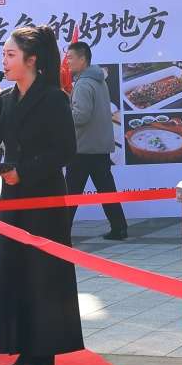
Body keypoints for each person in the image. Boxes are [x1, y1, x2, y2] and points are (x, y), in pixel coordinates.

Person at [0, 26, 85, 365]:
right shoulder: (7, 98)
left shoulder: (53, 98)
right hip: (12, 196)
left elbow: (65, 151)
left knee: (42, 273)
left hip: (43, 195)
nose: (4, 62)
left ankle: (43, 353)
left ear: (31, 59)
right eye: (4, 55)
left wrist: (24, 171)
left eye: (11, 55)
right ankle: (22, 347)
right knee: (14, 269)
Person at [64, 42, 130, 241]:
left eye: (70, 58)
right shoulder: (98, 79)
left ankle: (60, 232)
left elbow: (81, 116)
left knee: (71, 193)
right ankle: (119, 228)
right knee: (107, 190)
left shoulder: (83, 83)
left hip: (83, 148)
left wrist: (62, 114)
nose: (67, 62)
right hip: (99, 146)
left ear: (82, 59)